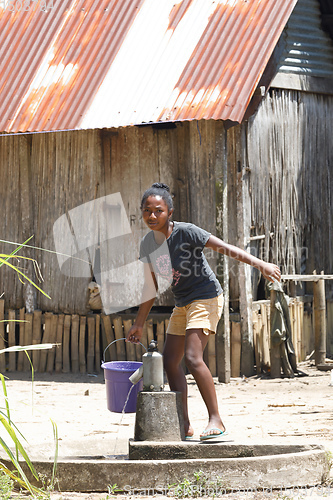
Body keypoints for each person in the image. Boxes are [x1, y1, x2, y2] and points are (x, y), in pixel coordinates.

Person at [126, 182, 281, 441]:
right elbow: (150, 285)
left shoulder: (187, 233)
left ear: (170, 212)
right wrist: (139, 323)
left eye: (158, 211)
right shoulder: (148, 245)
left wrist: (260, 264)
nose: (152, 216)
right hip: (183, 303)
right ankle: (184, 423)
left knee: (192, 357)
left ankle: (216, 420)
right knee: (169, 360)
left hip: (206, 297)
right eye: (147, 211)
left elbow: (226, 249)